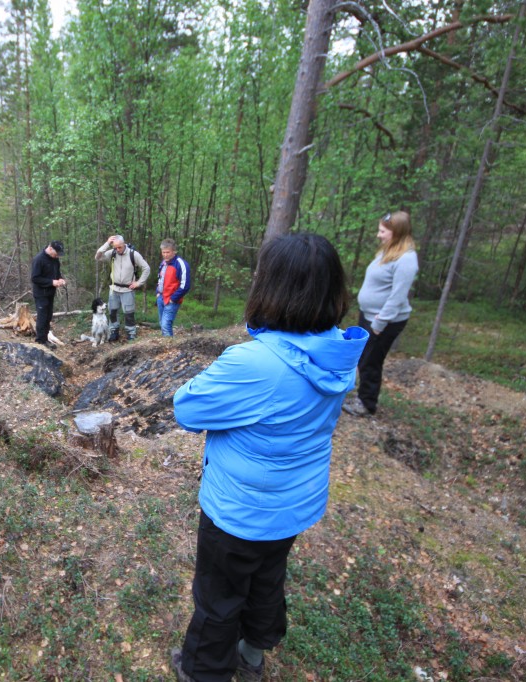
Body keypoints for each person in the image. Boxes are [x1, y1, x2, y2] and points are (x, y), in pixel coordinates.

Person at [170, 233, 368, 682]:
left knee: (219, 597)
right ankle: (252, 657)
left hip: (240, 509)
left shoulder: (253, 363)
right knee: (266, 582)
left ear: (272, 288)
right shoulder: (339, 355)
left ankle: (204, 671)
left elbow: (187, 408)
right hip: (293, 505)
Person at [343, 210, 419, 417]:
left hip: (384, 320)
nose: (379, 235)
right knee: (363, 356)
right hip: (369, 314)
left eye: (383, 231)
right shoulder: (387, 251)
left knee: (371, 360)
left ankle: (367, 404)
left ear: (397, 232)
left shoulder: (406, 259)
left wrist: (380, 323)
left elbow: (398, 295)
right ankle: (361, 396)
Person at [95, 235, 151, 341]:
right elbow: (97, 257)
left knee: (129, 313)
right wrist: (107, 244)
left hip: (128, 289)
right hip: (114, 288)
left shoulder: (133, 254)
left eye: (119, 247)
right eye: (115, 247)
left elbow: (146, 268)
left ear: (124, 244)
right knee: (112, 312)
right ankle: (114, 332)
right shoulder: (112, 253)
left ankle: (131, 333)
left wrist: (139, 283)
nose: (117, 249)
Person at [31, 240, 67, 348]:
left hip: (51, 292)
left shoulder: (55, 259)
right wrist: (51, 282)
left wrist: (60, 279)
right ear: (50, 248)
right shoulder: (39, 259)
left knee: (48, 316)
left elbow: (57, 272)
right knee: (42, 317)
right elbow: (35, 278)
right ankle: (40, 342)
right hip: (41, 293)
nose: (57, 256)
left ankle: (45, 339)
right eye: (56, 253)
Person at [155, 238, 191, 337]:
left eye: (168, 252)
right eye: (163, 252)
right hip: (161, 297)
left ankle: (169, 349)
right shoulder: (163, 263)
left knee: (166, 325)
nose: (165, 255)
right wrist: (157, 293)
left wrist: (173, 299)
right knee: (162, 324)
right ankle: (164, 346)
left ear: (174, 251)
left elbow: (185, 285)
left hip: (172, 300)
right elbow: (159, 279)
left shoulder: (181, 264)